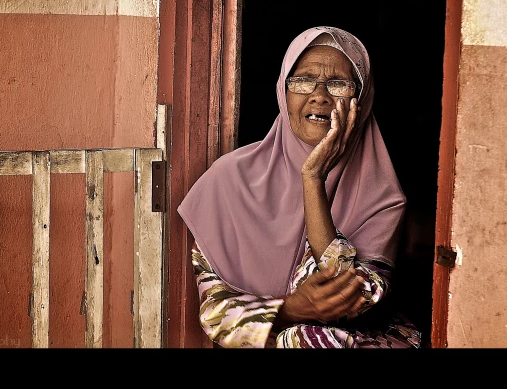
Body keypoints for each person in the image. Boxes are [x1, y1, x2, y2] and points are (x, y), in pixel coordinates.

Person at [177, 26, 422, 348]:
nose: (319, 95)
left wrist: (313, 179)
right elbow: (216, 314)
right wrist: (290, 310)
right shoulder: (228, 179)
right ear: (283, 92)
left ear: (360, 101)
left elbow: (350, 301)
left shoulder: (382, 196)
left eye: (338, 84)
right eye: (303, 81)